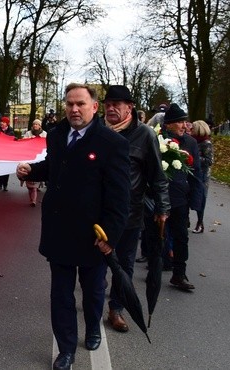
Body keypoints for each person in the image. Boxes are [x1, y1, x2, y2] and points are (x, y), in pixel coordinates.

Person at [16, 83, 130, 370]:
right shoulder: (55, 135)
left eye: (80, 104)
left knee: (93, 291)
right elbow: (55, 167)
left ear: (94, 106)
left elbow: (119, 196)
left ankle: (93, 328)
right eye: (69, 104)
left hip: (93, 235)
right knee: (61, 294)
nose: (74, 109)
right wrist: (32, 169)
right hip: (59, 230)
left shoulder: (112, 143)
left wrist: (111, 236)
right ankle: (66, 348)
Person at [102, 85, 170, 333]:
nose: (110, 109)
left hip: (130, 213)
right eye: (107, 104)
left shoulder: (145, 135)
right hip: (98, 213)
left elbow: (158, 177)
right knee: (96, 261)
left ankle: (116, 308)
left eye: (116, 105)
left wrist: (163, 208)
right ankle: (95, 297)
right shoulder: (96, 132)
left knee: (124, 263)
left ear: (129, 107)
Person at [161, 103, 203, 290]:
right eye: (179, 122)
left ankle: (179, 274)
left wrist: (196, 200)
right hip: (159, 199)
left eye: (185, 122)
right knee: (157, 237)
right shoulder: (158, 140)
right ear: (169, 124)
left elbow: (196, 173)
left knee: (181, 238)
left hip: (180, 199)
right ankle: (156, 270)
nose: (184, 125)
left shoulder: (191, 143)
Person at [190, 120, 214, 234]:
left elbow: (209, 161)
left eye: (193, 128)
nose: (191, 130)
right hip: (193, 172)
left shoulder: (206, 143)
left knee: (201, 198)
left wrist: (194, 158)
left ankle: (200, 222)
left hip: (203, 175)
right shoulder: (194, 141)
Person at [22, 119, 47, 206]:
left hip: (39, 158)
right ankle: (31, 195)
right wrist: (30, 140)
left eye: (37, 124)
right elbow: (23, 142)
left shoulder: (45, 134)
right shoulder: (28, 133)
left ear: (40, 126)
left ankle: (34, 200)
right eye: (34, 124)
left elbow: (47, 144)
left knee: (34, 185)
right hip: (30, 158)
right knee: (29, 184)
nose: (35, 126)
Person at [0, 116, 15, 191]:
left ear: (7, 124)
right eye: (1, 121)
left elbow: (13, 140)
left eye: (4, 122)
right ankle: (0, 184)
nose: (2, 123)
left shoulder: (11, 131)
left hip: (7, 154)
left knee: (6, 170)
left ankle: (5, 185)